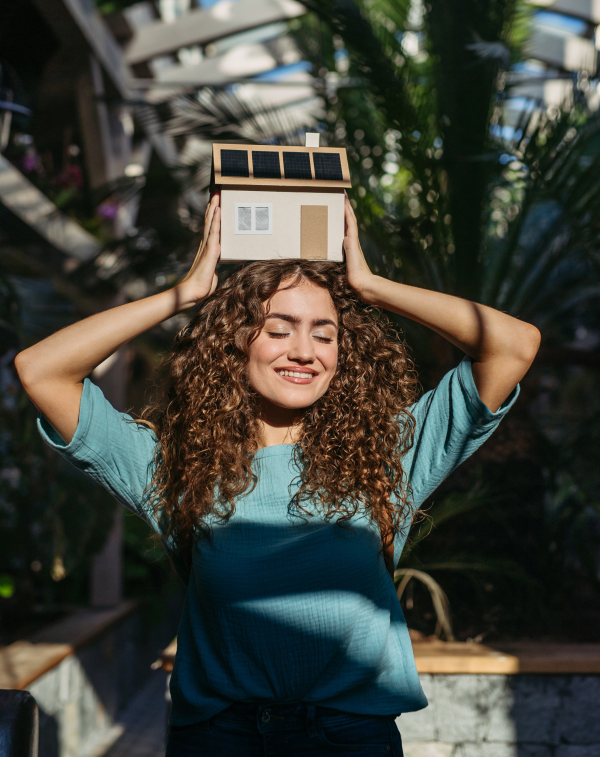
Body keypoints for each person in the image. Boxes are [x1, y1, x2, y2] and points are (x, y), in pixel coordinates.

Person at [15, 193, 540, 757]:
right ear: (236, 342)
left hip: (350, 739)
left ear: (344, 351)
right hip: (221, 739)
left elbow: (513, 345)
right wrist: (184, 294)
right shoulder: (176, 466)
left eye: (324, 332)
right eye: (279, 328)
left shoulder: (388, 454)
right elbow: (41, 370)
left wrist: (370, 287)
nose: (304, 350)